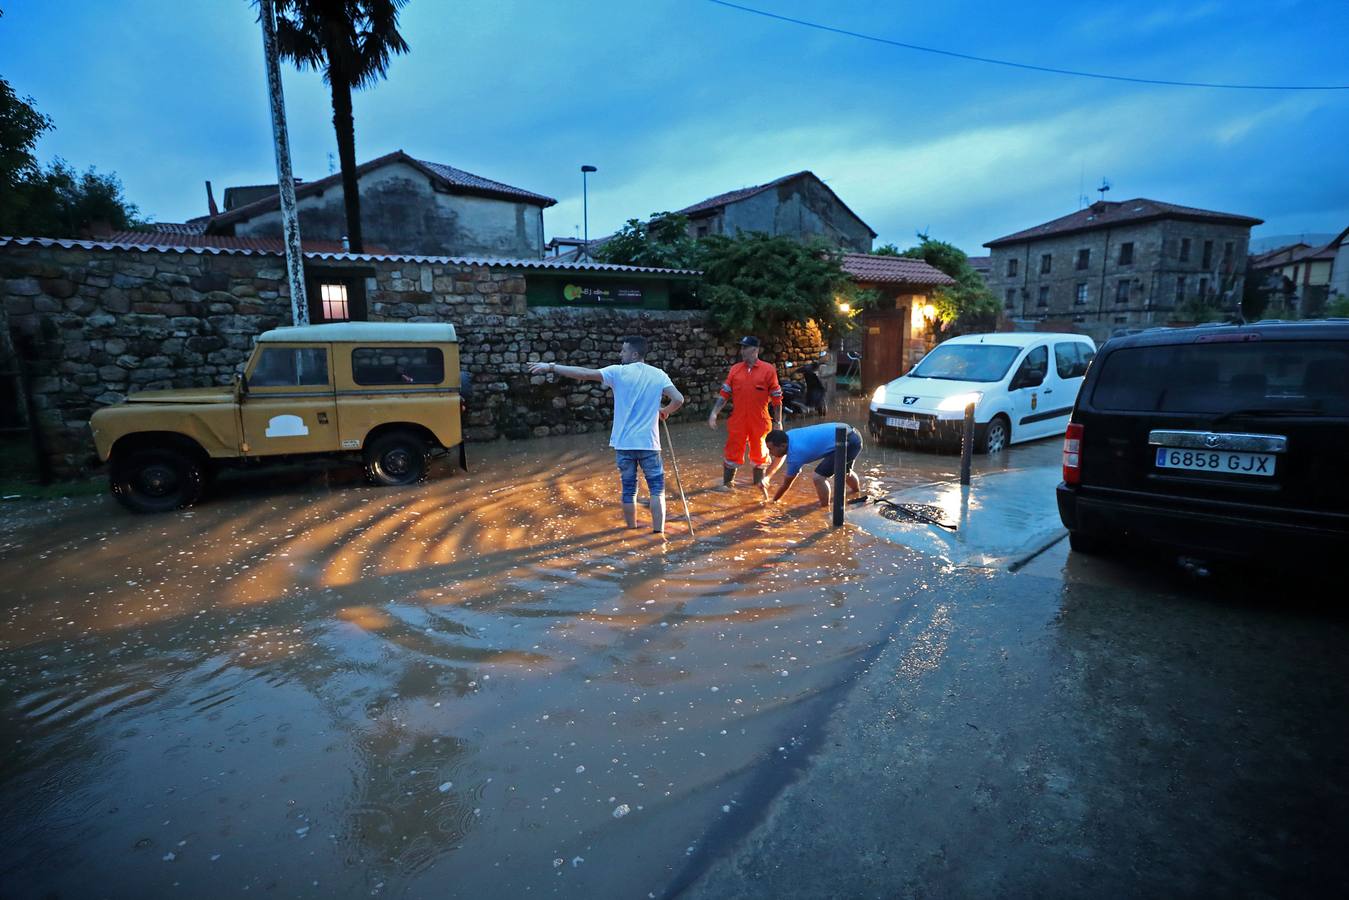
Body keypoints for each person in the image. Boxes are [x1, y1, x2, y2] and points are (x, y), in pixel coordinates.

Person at [528, 336, 684, 533]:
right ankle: (658, 533)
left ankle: (631, 530)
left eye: (624, 351)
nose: (620, 354)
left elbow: (583, 374)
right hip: (649, 444)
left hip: (624, 444)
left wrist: (551, 367)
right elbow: (678, 399)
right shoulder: (659, 375)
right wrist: (666, 411)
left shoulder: (617, 372)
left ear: (634, 354)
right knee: (657, 490)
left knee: (629, 490)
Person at [707, 336, 782, 497]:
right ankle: (727, 488)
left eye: (745, 348)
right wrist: (714, 413)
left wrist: (778, 422)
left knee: (760, 454)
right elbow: (724, 394)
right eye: (741, 347)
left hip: (760, 421)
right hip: (738, 420)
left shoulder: (768, 370)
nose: (742, 351)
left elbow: (777, 398)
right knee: (732, 452)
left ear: (755, 350)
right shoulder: (735, 369)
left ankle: (758, 489)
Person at [764, 423, 864, 508]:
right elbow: (779, 456)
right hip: (850, 432)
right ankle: (857, 493)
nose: (770, 453)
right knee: (844, 471)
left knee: (818, 477)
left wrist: (773, 501)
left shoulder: (795, 455)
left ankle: (824, 509)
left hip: (848, 442)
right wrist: (766, 477)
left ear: (782, 446)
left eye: (770, 449)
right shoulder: (787, 435)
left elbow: (786, 484)